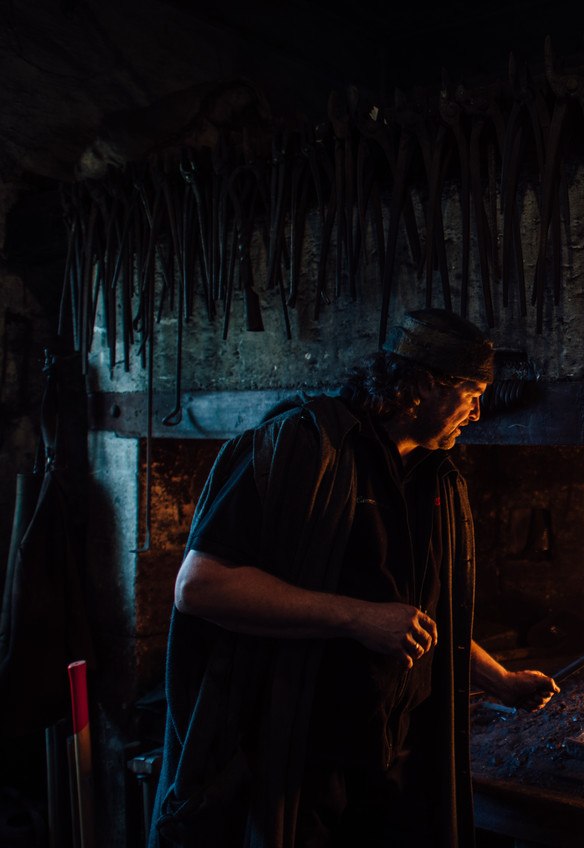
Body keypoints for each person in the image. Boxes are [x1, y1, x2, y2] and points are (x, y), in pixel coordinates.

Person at [149, 309, 558, 848]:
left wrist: (500, 681)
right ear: (422, 388)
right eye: (472, 394)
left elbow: (421, 620)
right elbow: (199, 587)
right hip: (300, 761)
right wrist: (356, 617)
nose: (478, 414)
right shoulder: (302, 448)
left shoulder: (435, 479)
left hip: (394, 762)